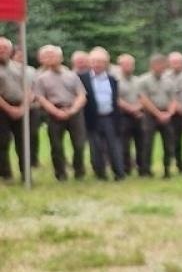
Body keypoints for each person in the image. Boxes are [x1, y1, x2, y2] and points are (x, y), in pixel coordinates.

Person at [32, 44, 88, 182]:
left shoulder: (72, 75)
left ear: (61, 57)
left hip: (74, 112)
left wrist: (73, 110)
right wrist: (56, 111)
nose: (50, 58)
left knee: (79, 144)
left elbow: (81, 95)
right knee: (56, 146)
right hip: (54, 113)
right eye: (47, 56)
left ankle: (79, 171)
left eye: (53, 55)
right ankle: (61, 173)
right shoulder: (41, 78)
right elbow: (41, 98)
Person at [80, 47, 126, 181]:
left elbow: (115, 99)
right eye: (94, 61)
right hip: (92, 118)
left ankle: (119, 173)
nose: (97, 64)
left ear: (106, 63)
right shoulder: (83, 78)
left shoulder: (112, 79)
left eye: (101, 62)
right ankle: (100, 174)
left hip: (110, 117)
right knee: (95, 147)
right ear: (90, 63)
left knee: (114, 146)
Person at [136, 52, 182, 177]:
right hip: (150, 115)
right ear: (152, 65)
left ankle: (167, 169)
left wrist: (169, 113)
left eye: (164, 65)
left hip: (166, 114)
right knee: (147, 143)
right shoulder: (143, 80)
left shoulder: (169, 81)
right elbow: (144, 100)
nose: (162, 68)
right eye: (160, 65)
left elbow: (174, 99)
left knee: (169, 144)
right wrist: (158, 114)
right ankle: (146, 170)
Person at [0, 35, 38, 181]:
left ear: (11, 51)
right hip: (2, 109)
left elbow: (31, 89)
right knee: (2, 142)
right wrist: (9, 109)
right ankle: (5, 174)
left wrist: (22, 108)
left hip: (23, 108)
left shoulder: (24, 69)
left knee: (24, 143)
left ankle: (26, 174)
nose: (2, 51)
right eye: (0, 48)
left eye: (5, 48)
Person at [115, 53, 147, 177]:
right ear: (120, 66)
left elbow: (144, 97)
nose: (128, 67)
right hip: (123, 116)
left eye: (131, 64)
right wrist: (130, 109)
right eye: (126, 64)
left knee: (142, 143)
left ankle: (142, 169)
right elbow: (116, 98)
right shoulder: (115, 81)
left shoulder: (139, 81)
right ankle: (126, 168)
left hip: (139, 115)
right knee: (124, 145)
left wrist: (138, 108)